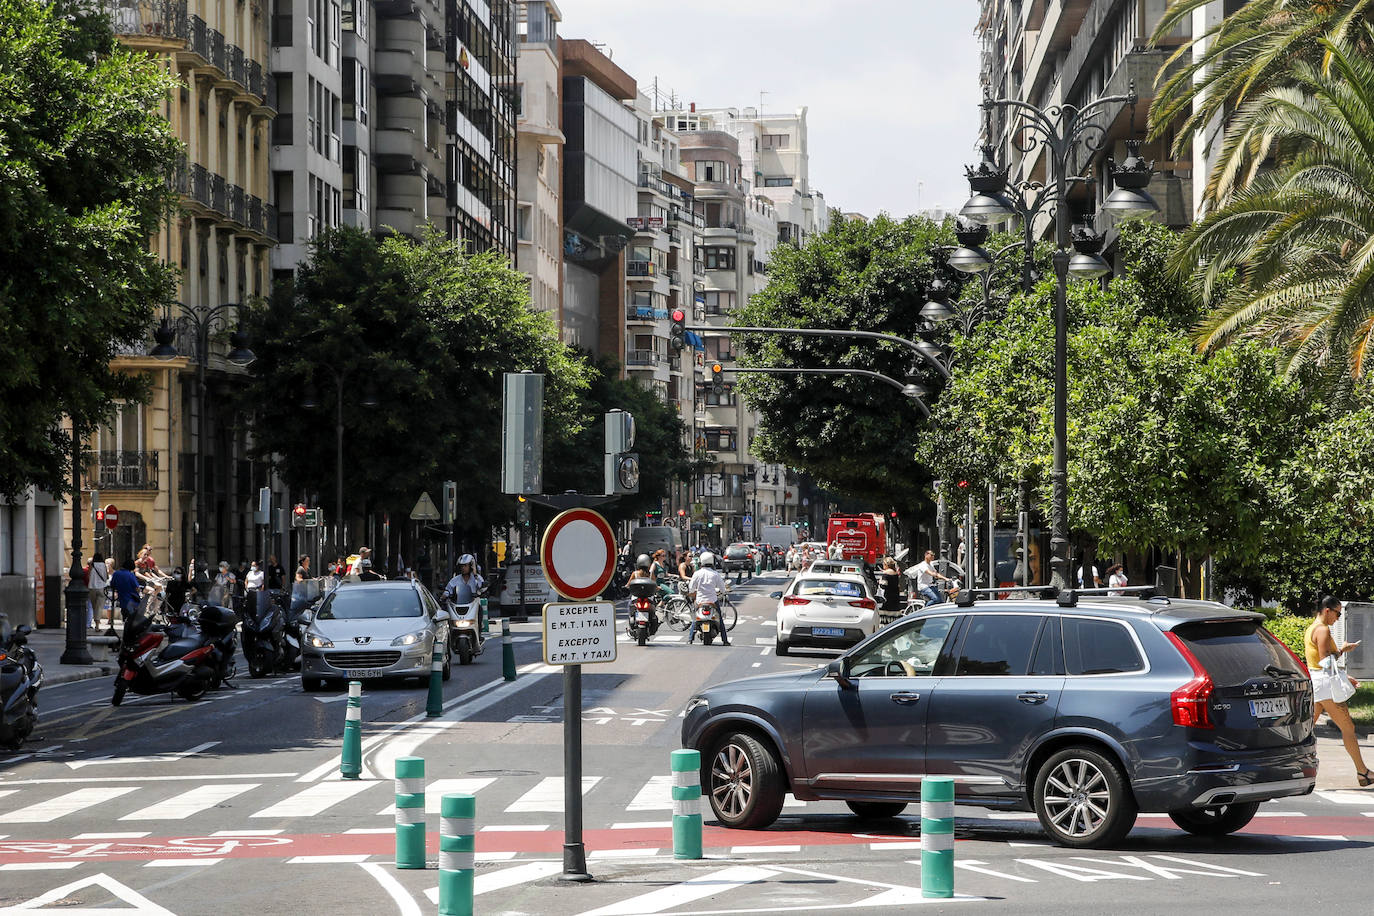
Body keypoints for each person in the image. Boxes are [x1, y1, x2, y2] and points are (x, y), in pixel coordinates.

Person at [1305, 596, 1370, 786]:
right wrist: (1342, 650)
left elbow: (1320, 661)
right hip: (1326, 686)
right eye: (1338, 613)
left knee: (1306, 730)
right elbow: (1326, 661)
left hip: (1318, 684)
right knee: (1348, 728)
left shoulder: (1311, 628)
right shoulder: (1322, 629)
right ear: (1327, 610)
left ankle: (1288, 766)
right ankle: (1363, 772)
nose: (1338, 618)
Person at [686, 552, 731, 646]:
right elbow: (722, 589)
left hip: (699, 601)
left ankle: (690, 639)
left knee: (695, 618)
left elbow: (691, 588)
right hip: (713, 601)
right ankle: (725, 640)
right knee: (720, 620)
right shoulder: (715, 574)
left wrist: (693, 592)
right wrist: (723, 592)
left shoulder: (697, 574)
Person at [110, 557, 141, 624]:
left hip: (122, 599)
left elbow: (112, 585)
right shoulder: (130, 575)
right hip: (132, 600)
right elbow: (137, 588)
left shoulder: (116, 574)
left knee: (125, 618)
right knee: (132, 620)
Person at [86, 555, 109, 629]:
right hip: (101, 587)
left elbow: (88, 576)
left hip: (92, 588)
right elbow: (106, 577)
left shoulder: (91, 565)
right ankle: (97, 626)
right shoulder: (104, 565)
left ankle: (96, 623)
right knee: (99, 607)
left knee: (94, 607)